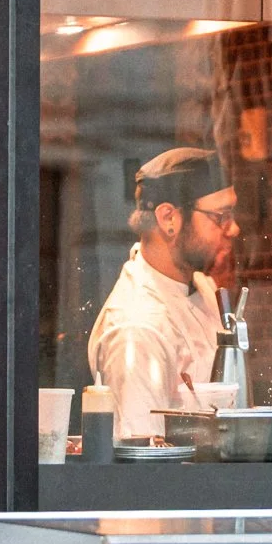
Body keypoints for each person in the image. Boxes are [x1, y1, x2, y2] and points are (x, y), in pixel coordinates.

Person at [88, 147, 241, 441]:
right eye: (221, 216)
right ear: (169, 218)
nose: (233, 228)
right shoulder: (137, 329)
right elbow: (146, 464)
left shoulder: (202, 285)